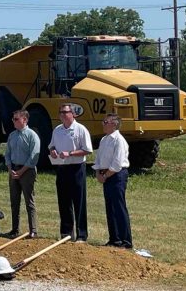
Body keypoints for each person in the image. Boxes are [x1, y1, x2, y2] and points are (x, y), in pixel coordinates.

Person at [48, 103, 93, 242]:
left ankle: (82, 234)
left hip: (76, 167)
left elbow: (87, 150)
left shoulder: (80, 129)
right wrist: (53, 151)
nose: (62, 115)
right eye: (60, 112)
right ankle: (66, 233)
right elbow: (52, 145)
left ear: (73, 114)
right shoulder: (57, 130)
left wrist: (71, 153)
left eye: (65, 112)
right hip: (62, 167)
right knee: (63, 200)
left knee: (78, 201)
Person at [93, 114, 133, 248]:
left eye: (105, 122)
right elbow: (98, 158)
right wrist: (98, 172)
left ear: (114, 124)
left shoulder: (119, 140)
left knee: (119, 207)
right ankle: (114, 239)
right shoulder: (104, 140)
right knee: (109, 207)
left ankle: (125, 241)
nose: (103, 124)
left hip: (116, 175)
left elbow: (117, 162)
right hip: (106, 175)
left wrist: (106, 175)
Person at [4, 109, 40, 239]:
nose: (13, 121)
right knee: (14, 201)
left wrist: (21, 171)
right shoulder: (12, 135)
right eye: (13, 119)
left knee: (29, 201)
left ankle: (33, 230)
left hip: (27, 171)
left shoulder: (32, 135)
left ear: (24, 120)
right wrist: (10, 169)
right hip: (13, 170)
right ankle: (15, 229)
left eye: (16, 119)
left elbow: (33, 157)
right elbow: (7, 153)